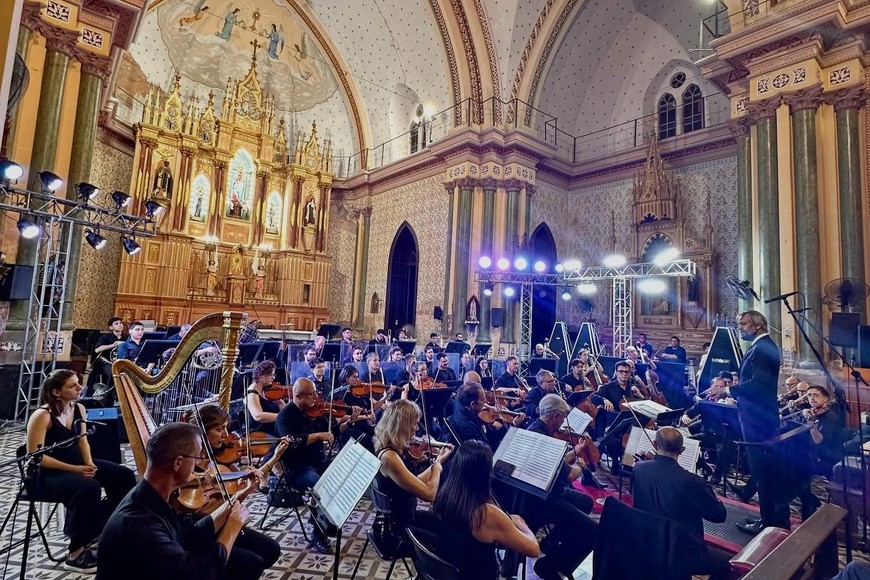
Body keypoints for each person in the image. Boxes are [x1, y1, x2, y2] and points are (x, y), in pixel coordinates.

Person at [96, 423, 249, 580]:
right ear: (178, 463)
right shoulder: (139, 522)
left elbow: (188, 535)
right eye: (197, 457)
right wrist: (232, 527)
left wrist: (230, 506)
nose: (198, 465)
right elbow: (199, 575)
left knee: (250, 562)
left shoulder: (152, 493)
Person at [27, 369, 136, 574]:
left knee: (124, 477)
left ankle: (97, 527)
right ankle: (75, 553)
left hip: (75, 464)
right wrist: (75, 469)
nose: (80, 387)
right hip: (45, 474)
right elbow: (36, 457)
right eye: (72, 385)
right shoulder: (42, 415)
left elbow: (83, 441)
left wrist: (88, 463)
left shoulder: (79, 408)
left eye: (78, 383)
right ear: (57, 392)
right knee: (88, 487)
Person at [706, 310, 785, 533]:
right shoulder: (761, 347)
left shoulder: (763, 348)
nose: (740, 327)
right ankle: (770, 518)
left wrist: (727, 390)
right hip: (757, 416)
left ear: (758, 325)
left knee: (762, 473)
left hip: (758, 419)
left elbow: (758, 385)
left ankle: (768, 522)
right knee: (761, 472)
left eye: (744, 324)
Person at [188, 405, 284, 576]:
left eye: (226, 427)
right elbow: (202, 516)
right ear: (202, 431)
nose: (226, 435)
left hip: (223, 523)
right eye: (219, 429)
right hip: (204, 531)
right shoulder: (189, 469)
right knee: (253, 563)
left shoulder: (217, 459)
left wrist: (247, 489)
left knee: (272, 549)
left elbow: (231, 498)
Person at [275, 378, 366, 553]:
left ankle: (329, 520)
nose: (317, 397)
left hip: (317, 461)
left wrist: (350, 421)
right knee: (320, 486)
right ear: (299, 396)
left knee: (342, 475)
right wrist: (317, 436)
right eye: (312, 394)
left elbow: (333, 432)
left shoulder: (316, 411)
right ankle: (319, 532)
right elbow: (292, 442)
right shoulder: (285, 416)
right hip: (296, 467)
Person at [432, 440, 540, 579]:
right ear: (484, 474)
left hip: (449, 571)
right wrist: (522, 525)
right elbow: (533, 549)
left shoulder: (446, 493)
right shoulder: (486, 513)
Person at [632, 427, 729, 580]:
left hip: (646, 542)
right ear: (682, 450)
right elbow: (719, 515)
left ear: (656, 445)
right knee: (727, 563)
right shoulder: (692, 481)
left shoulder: (638, 468)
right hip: (681, 552)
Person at [525, 394, 599, 579]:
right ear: (556, 416)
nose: (563, 423)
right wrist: (581, 465)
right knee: (593, 530)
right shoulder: (542, 438)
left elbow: (558, 463)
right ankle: (551, 564)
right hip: (542, 498)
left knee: (585, 501)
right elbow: (570, 474)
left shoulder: (535, 428)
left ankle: (551, 542)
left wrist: (577, 451)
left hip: (545, 491)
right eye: (563, 417)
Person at [374, 400, 453, 528]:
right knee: (448, 535)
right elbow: (430, 494)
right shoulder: (390, 457)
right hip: (400, 526)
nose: (417, 428)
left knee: (449, 524)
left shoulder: (393, 448)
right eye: (415, 424)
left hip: (408, 515)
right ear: (403, 425)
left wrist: (439, 460)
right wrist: (437, 468)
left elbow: (414, 482)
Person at [596, 360, 648, 475]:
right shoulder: (608, 387)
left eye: (626, 372)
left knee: (637, 436)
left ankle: (628, 464)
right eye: (621, 372)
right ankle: (615, 462)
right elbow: (595, 397)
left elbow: (644, 405)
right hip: (613, 421)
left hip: (630, 421)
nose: (624, 374)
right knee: (614, 439)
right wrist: (603, 399)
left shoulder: (633, 387)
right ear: (616, 372)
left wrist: (640, 396)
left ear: (630, 373)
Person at [446, 383, 525, 450]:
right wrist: (513, 426)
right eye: (482, 400)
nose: (486, 402)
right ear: (473, 404)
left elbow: (491, 436)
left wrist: (510, 425)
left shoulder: (462, 408)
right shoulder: (467, 426)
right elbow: (488, 449)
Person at [246, 360, 285, 436]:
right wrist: (282, 416)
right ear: (261, 375)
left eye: (274, 375)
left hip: (274, 430)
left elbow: (282, 407)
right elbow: (258, 416)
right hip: (260, 433)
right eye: (271, 375)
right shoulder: (252, 392)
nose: (273, 378)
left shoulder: (268, 389)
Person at [87, 317, 126, 390]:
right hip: (107, 362)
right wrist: (114, 345)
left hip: (123, 362)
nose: (120, 325)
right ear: (111, 327)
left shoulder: (127, 337)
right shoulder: (105, 337)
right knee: (113, 374)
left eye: (121, 323)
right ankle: (109, 394)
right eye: (116, 324)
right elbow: (97, 350)